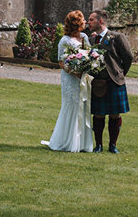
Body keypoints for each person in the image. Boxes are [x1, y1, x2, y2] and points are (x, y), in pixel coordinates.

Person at [45, 10, 94, 152]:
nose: (85, 22)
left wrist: (87, 67)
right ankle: (67, 141)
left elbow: (90, 54)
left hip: (83, 78)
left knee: (83, 106)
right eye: (83, 20)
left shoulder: (84, 37)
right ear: (76, 23)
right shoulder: (65, 40)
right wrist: (74, 72)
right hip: (70, 78)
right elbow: (61, 61)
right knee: (71, 106)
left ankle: (82, 143)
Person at [87, 9, 133, 153]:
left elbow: (128, 57)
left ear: (100, 21)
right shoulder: (91, 40)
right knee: (98, 114)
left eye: (91, 20)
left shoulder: (117, 37)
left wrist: (119, 73)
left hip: (114, 81)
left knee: (115, 114)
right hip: (98, 82)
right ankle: (98, 145)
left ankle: (113, 145)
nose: (88, 23)